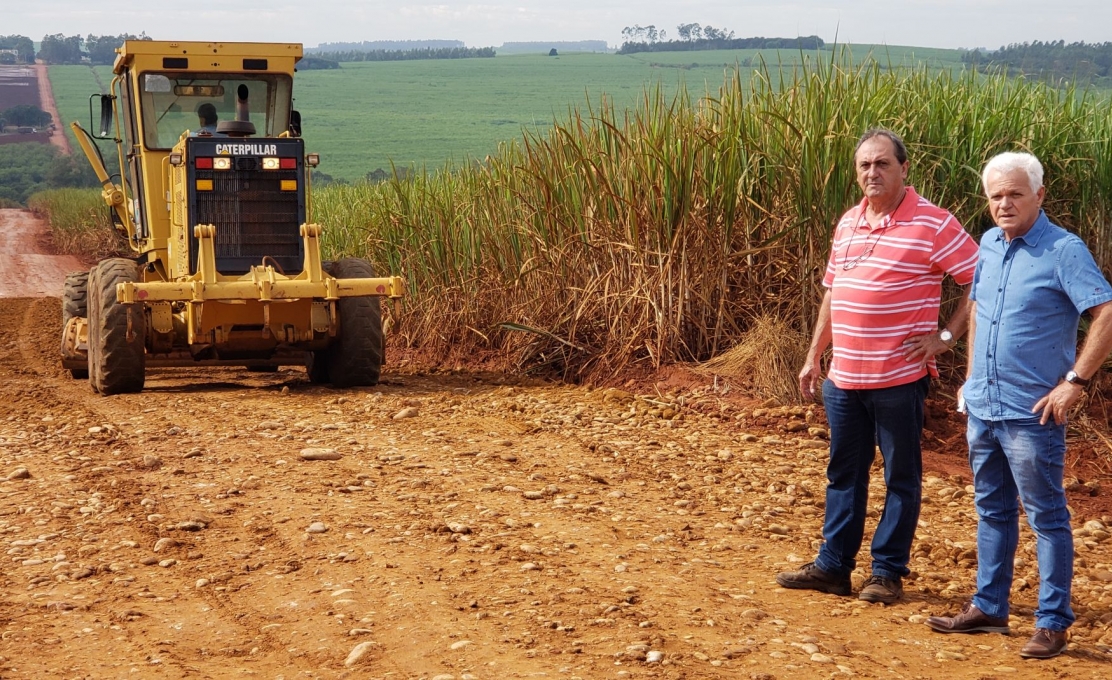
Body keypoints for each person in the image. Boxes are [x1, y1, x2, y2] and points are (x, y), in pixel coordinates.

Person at [776, 128, 979, 604]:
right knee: (843, 472)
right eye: (865, 165)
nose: (873, 172)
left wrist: (945, 337)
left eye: (883, 163)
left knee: (900, 477)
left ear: (904, 169)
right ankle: (833, 567)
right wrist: (813, 355)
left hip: (899, 379)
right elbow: (834, 292)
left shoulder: (934, 223)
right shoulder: (849, 221)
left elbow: (981, 278)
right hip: (843, 378)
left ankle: (886, 572)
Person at [926, 151, 1112, 659]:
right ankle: (989, 606)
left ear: (1039, 196)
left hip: (1033, 413)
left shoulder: (1063, 250)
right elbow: (980, 308)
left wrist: (1076, 380)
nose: (1004, 204)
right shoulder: (988, 244)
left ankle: (1052, 622)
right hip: (984, 405)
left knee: (1046, 515)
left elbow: (1106, 312)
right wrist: (968, 379)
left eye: (1015, 194)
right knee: (991, 509)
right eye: (996, 196)